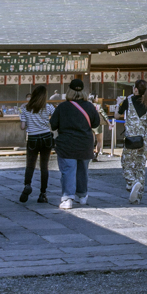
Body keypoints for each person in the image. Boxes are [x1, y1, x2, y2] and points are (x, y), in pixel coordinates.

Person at [50, 78, 103, 210]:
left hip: (67, 144)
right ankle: (83, 195)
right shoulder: (90, 106)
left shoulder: (63, 107)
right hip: (85, 143)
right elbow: (96, 123)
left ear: (69, 91)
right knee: (82, 170)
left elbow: (53, 125)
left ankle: (68, 197)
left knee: (68, 170)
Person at [18, 84, 56, 203]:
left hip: (33, 138)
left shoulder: (26, 109)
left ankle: (27, 185)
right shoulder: (48, 107)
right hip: (46, 137)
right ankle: (42, 193)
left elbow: (23, 127)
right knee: (44, 166)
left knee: (30, 165)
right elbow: (55, 119)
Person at [120, 80, 147, 203]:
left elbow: (117, 115)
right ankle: (137, 197)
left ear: (135, 90)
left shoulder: (128, 101)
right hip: (144, 140)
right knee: (140, 167)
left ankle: (132, 182)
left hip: (131, 139)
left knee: (126, 163)